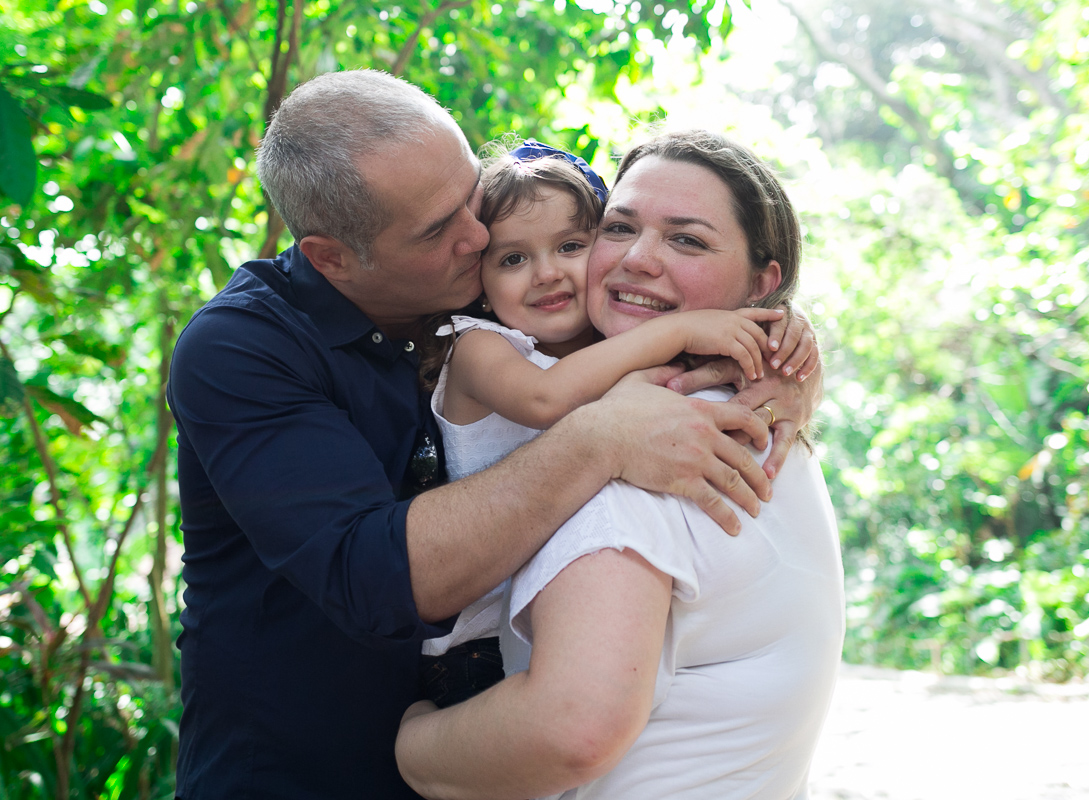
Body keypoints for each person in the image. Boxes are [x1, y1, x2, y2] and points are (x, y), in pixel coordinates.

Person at [166, 70, 822, 798]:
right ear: (333, 258)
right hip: (298, 772)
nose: (480, 237)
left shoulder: (481, 283)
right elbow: (375, 575)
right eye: (440, 229)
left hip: (476, 763)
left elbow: (640, 263)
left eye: (470, 198)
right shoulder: (240, 348)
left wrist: (781, 343)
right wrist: (601, 437)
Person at [395, 130, 845, 800]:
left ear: (763, 282)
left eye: (687, 239)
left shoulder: (657, 451)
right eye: (619, 226)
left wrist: (408, 745)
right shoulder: (751, 429)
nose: (638, 258)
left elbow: (572, 728)